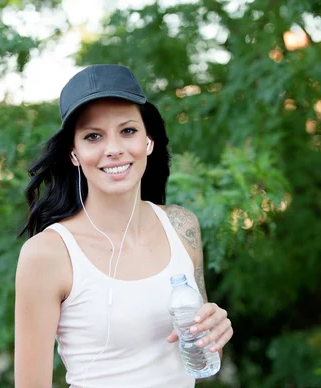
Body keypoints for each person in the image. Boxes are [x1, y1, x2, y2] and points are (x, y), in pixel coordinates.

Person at [14, 64, 233, 388]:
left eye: (128, 130)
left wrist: (215, 332)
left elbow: (201, 358)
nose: (114, 148)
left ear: (148, 140)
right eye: (93, 136)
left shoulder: (181, 226)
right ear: (74, 153)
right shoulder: (48, 254)